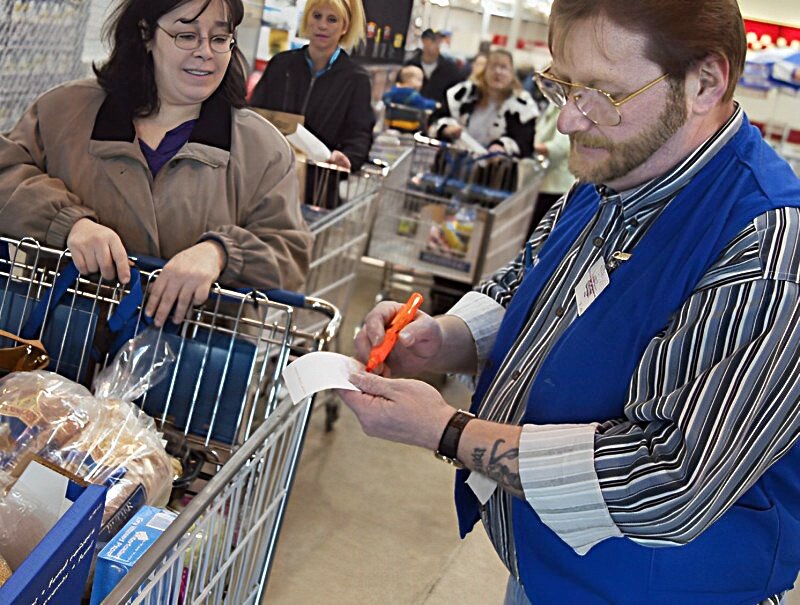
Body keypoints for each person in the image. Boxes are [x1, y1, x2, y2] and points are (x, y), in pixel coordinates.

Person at [338, 0, 800, 603]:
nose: (568, 122)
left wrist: (448, 431)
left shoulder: (766, 247)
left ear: (705, 82)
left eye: (602, 94)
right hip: (545, 570)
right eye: (564, 85)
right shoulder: (614, 174)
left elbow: (671, 479)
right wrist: (443, 337)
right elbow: (530, 282)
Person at [0, 0, 312, 328]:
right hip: (59, 347)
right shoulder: (63, 113)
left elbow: (289, 252)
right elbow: (6, 171)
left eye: (219, 39)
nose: (206, 51)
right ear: (146, 33)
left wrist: (220, 253)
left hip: (191, 364)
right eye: (186, 35)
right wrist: (69, 223)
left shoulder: (263, 149)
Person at [249, 0, 373, 172]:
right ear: (307, 19)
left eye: (332, 19)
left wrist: (348, 157)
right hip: (267, 170)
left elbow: (359, 134)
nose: (322, 25)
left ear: (345, 27)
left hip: (318, 181)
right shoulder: (281, 64)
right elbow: (255, 112)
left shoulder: (356, 79)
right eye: (316, 16)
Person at [430, 49, 539, 157]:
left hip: (495, 169)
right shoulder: (463, 93)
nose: (498, 72)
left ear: (512, 74)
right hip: (453, 158)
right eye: (493, 66)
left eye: (504, 67)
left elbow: (525, 143)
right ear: (485, 71)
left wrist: (503, 146)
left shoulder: (523, 105)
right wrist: (445, 128)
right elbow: (436, 118)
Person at [527, 101, 574, 236]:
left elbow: (560, 147)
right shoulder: (550, 105)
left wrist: (526, 147)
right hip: (543, 184)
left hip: (556, 188)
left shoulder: (565, 107)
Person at [405, 28, 464, 106]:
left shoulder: (450, 69)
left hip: (437, 115)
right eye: (434, 40)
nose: (437, 44)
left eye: (440, 41)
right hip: (410, 111)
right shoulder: (411, 65)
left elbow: (456, 95)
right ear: (424, 41)